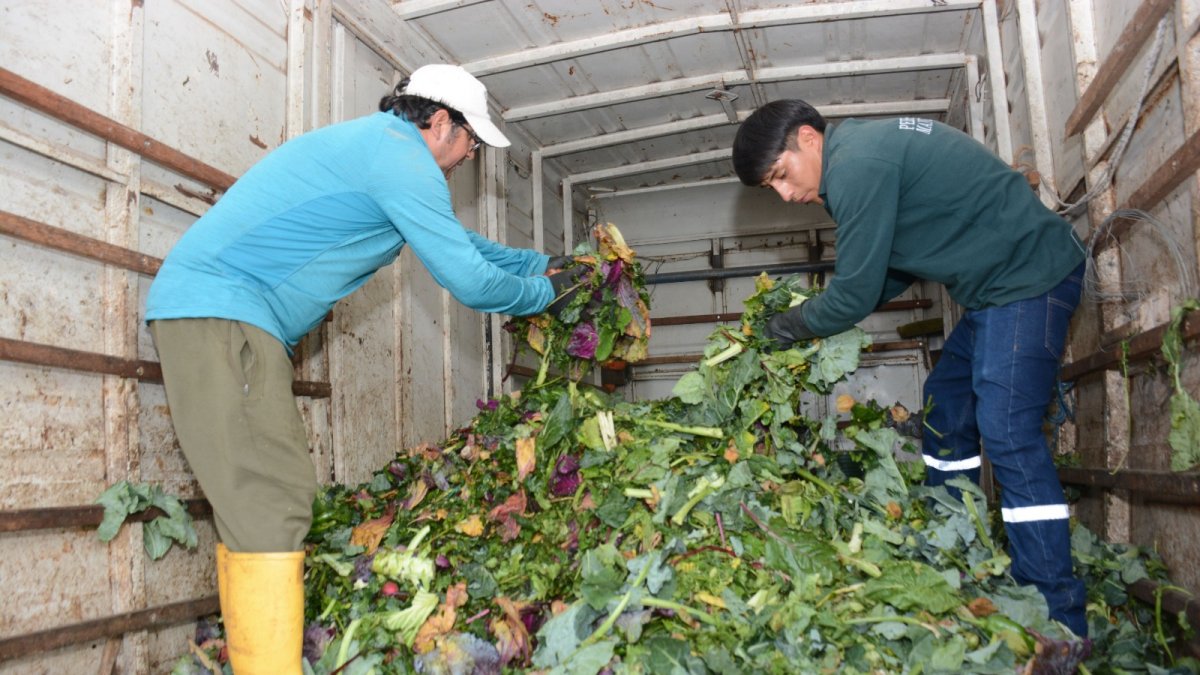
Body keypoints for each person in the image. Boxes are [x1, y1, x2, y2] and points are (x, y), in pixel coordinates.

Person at [145, 64, 576, 673]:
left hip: (229, 316)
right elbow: (470, 280)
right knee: (270, 498)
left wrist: (544, 263)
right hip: (222, 314)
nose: (470, 155)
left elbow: (462, 246)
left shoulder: (385, 150)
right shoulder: (400, 161)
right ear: (441, 121)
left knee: (271, 495)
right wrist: (548, 296)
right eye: (471, 141)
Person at [731, 100, 1089, 637]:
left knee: (1008, 433)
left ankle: (1056, 619)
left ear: (808, 138)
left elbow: (853, 292)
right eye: (771, 189)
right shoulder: (861, 154)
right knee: (947, 402)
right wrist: (839, 306)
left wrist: (782, 327)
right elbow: (887, 271)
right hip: (995, 290)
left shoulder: (854, 166)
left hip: (1026, 277)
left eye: (781, 177)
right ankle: (956, 532)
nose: (785, 195)